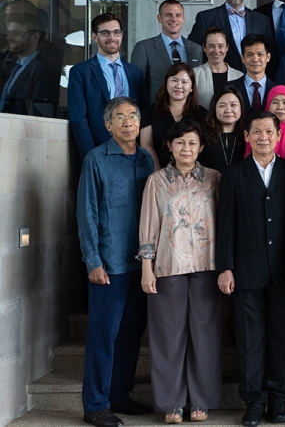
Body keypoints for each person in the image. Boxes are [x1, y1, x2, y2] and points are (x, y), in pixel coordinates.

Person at [216, 110, 285, 427]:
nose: (263, 136)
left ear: (278, 136)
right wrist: (225, 267)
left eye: (269, 131)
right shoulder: (234, 174)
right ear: (247, 137)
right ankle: (254, 401)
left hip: (284, 272)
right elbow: (225, 225)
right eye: (257, 132)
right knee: (250, 340)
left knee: (280, 338)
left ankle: (280, 401)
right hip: (246, 270)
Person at [138, 119, 222, 423]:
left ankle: (201, 399)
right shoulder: (156, 181)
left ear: (200, 147)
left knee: (205, 336)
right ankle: (172, 402)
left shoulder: (214, 179)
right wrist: (146, 269)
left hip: (207, 266)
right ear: (169, 146)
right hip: (167, 267)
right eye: (180, 142)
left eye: (192, 143)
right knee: (167, 336)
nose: (186, 148)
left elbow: (225, 225)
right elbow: (148, 227)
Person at [78, 97, 154, 427]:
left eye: (133, 117)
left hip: (141, 264)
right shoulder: (96, 159)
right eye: (119, 118)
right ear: (108, 125)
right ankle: (95, 405)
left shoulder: (146, 160)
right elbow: (87, 213)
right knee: (103, 337)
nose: (128, 123)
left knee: (130, 334)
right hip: (109, 265)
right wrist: (92, 261)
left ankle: (120, 395)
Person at [69, 13, 149, 162]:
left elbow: (143, 113)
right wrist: (92, 155)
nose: (112, 37)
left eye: (116, 32)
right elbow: (78, 119)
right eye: (105, 33)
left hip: (132, 151)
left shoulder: (135, 73)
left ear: (122, 35)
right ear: (94, 36)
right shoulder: (80, 72)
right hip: (99, 149)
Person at [188, 0, 275, 74]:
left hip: (252, 78)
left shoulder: (262, 20)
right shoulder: (206, 18)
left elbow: (269, 54)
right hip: (218, 78)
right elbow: (194, 52)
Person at [130, 0, 203, 102]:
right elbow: (136, 86)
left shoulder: (196, 49)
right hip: (155, 112)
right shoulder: (143, 47)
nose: (174, 19)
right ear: (159, 18)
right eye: (168, 15)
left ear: (183, 19)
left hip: (189, 112)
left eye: (178, 15)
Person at [140, 64, 206, 170]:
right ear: (166, 83)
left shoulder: (202, 114)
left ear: (192, 87)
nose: (179, 86)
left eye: (184, 82)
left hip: (194, 176)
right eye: (174, 80)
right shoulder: (150, 112)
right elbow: (146, 144)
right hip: (158, 171)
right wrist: (159, 174)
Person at [0, 21, 60, 117]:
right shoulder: (9, 64)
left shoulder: (44, 70)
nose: (9, 37)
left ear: (34, 37)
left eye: (15, 33)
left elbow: (40, 113)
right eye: (8, 33)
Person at [200, 86, 247, 177]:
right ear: (214, 108)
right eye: (222, 106)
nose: (228, 110)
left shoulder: (248, 134)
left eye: (233, 105)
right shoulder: (202, 133)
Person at [192, 27, 244, 109]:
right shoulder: (194, 74)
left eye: (220, 46)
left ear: (227, 47)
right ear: (204, 48)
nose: (216, 51)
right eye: (211, 46)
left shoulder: (239, 76)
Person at [228, 34, 277, 116]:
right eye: (249, 55)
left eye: (260, 54)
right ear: (243, 58)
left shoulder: (277, 90)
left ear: (268, 57)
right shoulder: (230, 88)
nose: (255, 59)